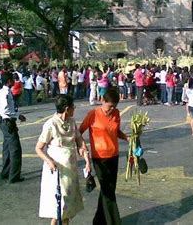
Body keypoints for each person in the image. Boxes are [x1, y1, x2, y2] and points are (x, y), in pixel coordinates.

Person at [36, 95, 91, 225]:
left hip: (70, 169)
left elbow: (80, 141)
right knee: (59, 205)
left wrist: (87, 160)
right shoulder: (51, 124)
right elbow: (38, 148)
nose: (74, 109)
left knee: (68, 206)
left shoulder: (71, 122)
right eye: (73, 107)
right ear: (67, 109)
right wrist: (49, 161)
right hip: (57, 170)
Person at [79, 89, 129, 225]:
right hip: (99, 158)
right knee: (108, 192)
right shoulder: (93, 114)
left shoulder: (116, 114)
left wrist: (127, 138)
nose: (111, 109)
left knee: (109, 189)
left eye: (114, 106)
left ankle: (99, 221)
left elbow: (116, 131)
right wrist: (82, 146)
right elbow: (79, 132)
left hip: (114, 155)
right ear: (102, 101)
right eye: (109, 106)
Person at [0, 72, 26, 183]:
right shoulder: (4, 93)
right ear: (8, 81)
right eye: (13, 79)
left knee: (7, 148)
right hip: (7, 121)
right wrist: (18, 116)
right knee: (15, 149)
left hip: (6, 122)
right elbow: (5, 111)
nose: (15, 81)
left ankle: (6, 172)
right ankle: (14, 176)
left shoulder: (5, 92)